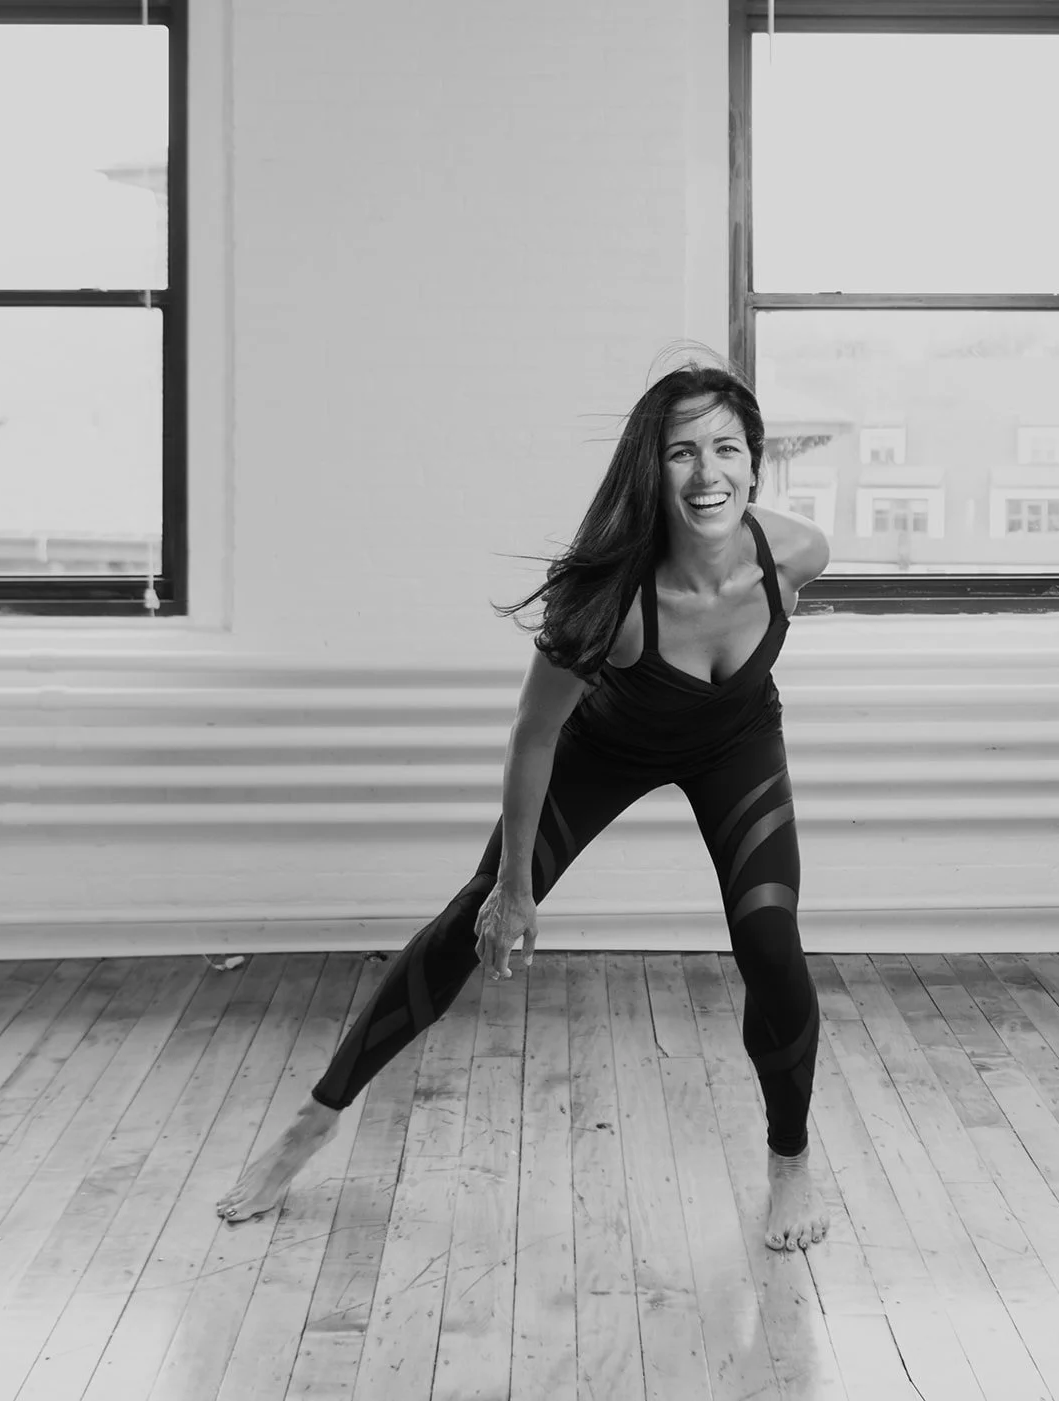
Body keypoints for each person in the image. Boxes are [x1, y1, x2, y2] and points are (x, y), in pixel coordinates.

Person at [217, 361, 832, 1252]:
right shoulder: (609, 599)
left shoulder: (798, 555)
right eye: (682, 452)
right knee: (472, 919)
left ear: (756, 463)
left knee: (771, 941)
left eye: (727, 448)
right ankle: (313, 1121)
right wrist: (514, 888)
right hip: (605, 746)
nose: (708, 473)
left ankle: (790, 1159)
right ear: (649, 467)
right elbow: (534, 732)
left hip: (735, 741)